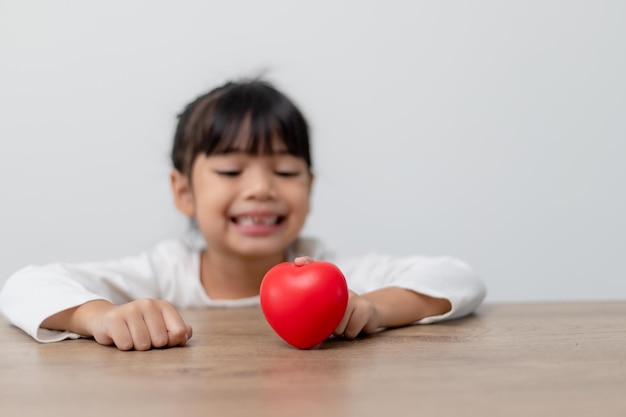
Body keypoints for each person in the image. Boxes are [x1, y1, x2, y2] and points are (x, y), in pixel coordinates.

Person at [0, 79, 486, 351]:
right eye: (231, 170)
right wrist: (100, 316)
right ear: (184, 191)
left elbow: (458, 278)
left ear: (310, 188)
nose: (260, 189)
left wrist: (375, 308)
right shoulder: (162, 275)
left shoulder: (339, 282)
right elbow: (24, 285)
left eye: (285, 170)